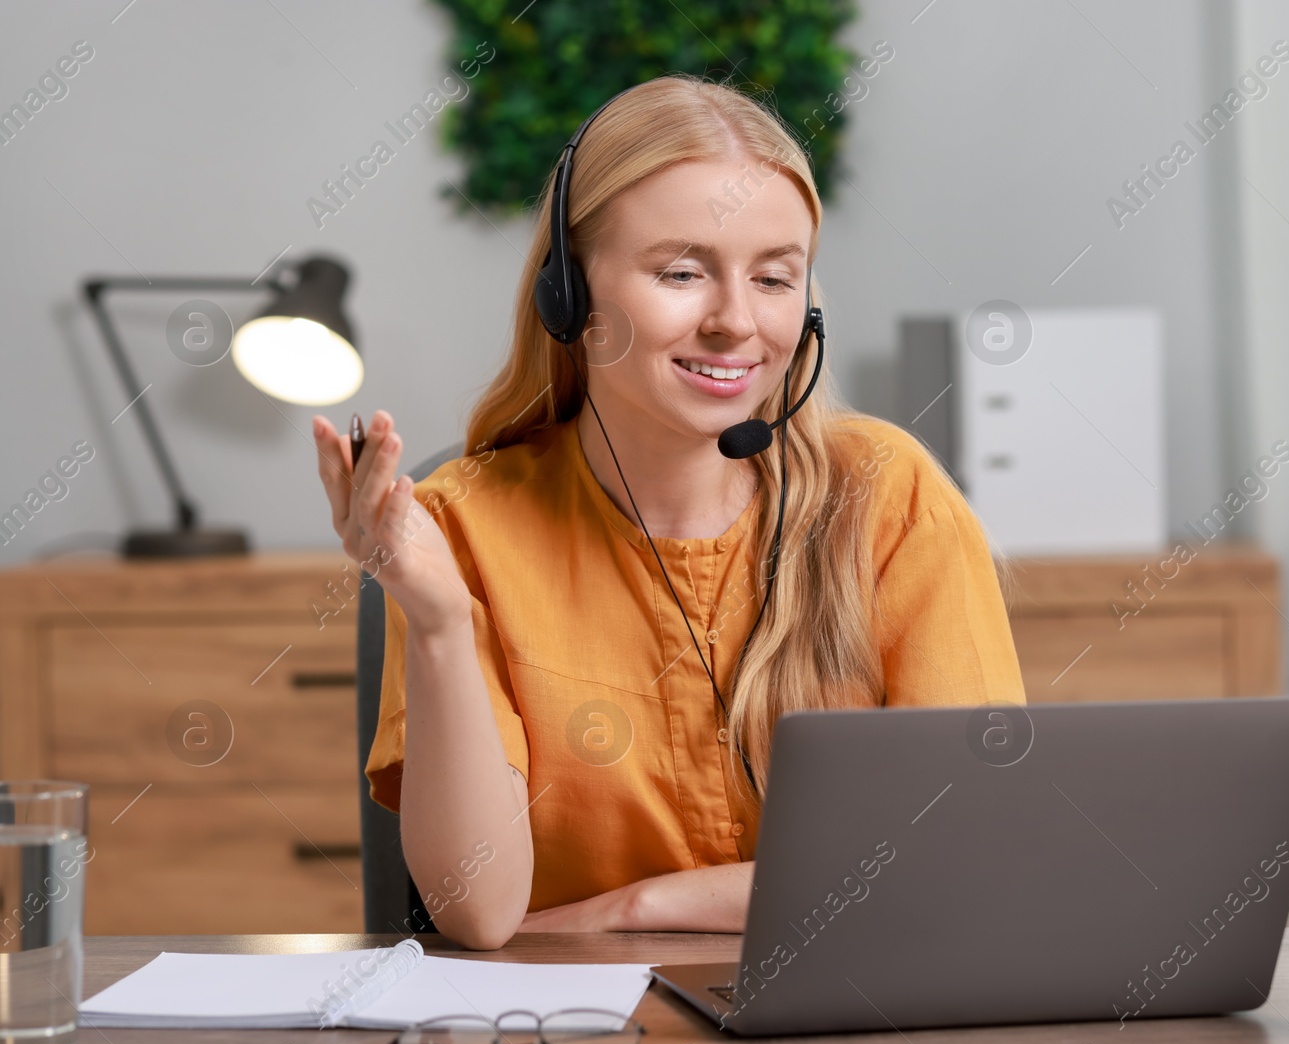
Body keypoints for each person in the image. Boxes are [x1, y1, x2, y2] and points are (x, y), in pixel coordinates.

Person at [311, 75, 1024, 951]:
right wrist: (438, 622)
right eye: (681, 272)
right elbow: (480, 912)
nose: (735, 321)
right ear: (569, 293)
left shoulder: (888, 495)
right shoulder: (468, 525)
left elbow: (967, 858)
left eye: (773, 277)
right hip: (576, 1031)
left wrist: (638, 905)